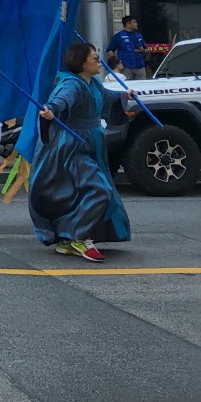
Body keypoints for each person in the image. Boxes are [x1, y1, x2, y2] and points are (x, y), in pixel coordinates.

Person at [32, 42, 135, 263]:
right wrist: (51, 110)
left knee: (80, 192)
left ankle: (67, 239)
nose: (99, 60)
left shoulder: (92, 83)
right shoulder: (72, 84)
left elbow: (106, 97)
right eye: (94, 57)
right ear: (81, 62)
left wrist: (125, 95)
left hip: (92, 144)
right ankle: (77, 237)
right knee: (99, 190)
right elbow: (60, 101)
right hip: (73, 146)